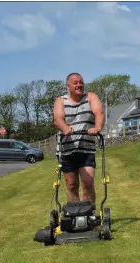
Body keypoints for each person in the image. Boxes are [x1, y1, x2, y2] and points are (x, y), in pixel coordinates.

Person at [53, 72, 104, 205]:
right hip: (67, 149)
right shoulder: (61, 101)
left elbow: (99, 112)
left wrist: (97, 128)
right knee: (71, 184)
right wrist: (65, 128)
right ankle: (75, 214)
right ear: (68, 86)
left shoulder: (91, 97)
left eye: (81, 82)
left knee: (87, 183)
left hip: (86, 148)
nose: (79, 85)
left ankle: (89, 214)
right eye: (75, 83)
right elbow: (58, 119)